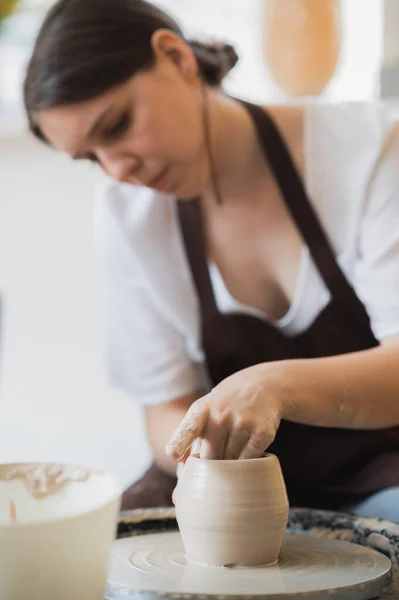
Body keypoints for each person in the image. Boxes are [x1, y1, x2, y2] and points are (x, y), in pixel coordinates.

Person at [24, 0, 399, 521]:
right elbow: (164, 408)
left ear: (175, 57)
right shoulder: (128, 214)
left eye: (117, 125)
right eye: (92, 157)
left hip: (381, 470)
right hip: (228, 484)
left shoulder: (369, 149)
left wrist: (272, 386)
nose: (117, 170)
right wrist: (205, 472)